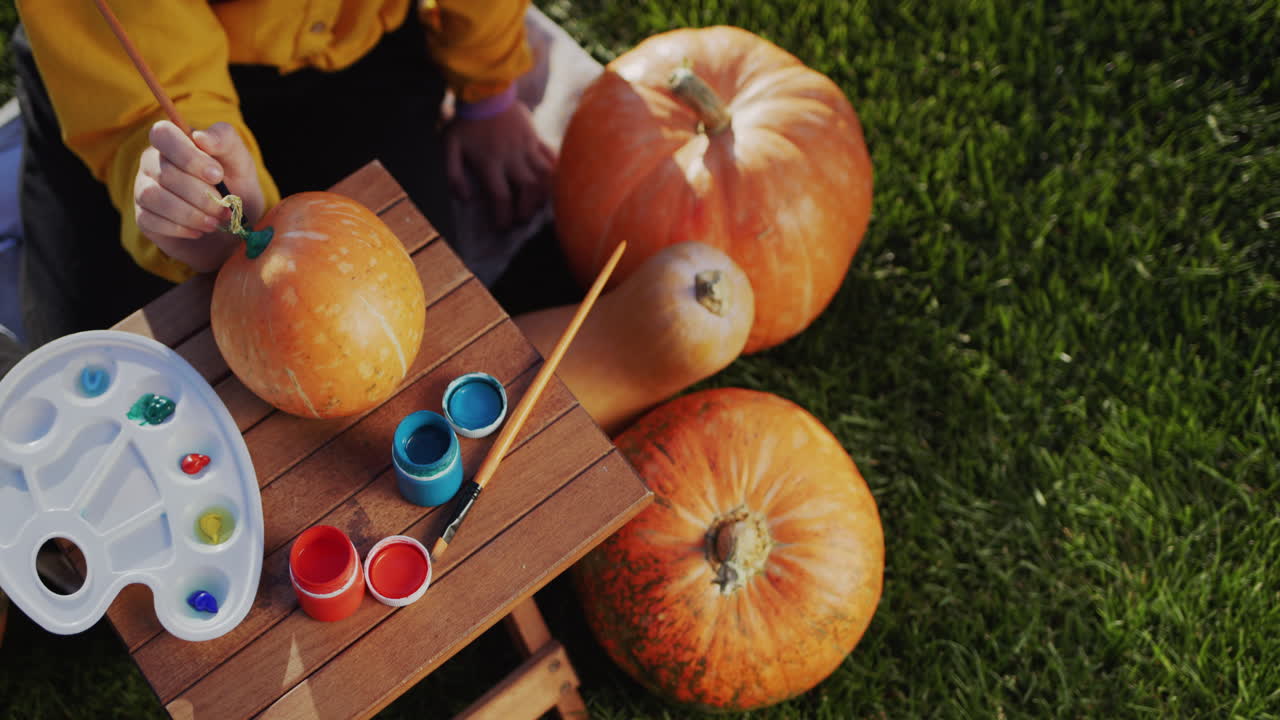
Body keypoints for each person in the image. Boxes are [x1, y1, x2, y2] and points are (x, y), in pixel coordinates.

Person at [9, 0, 556, 356]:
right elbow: (144, 78)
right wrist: (189, 189)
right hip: (126, 79)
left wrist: (488, 89)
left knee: (425, 338)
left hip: (357, 47)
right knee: (103, 395)